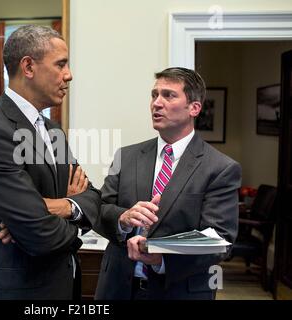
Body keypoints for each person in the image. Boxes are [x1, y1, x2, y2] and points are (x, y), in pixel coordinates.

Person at [0, 25, 101, 300]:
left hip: (61, 286)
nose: (69, 75)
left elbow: (94, 198)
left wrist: (61, 207)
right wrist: (71, 219)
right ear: (28, 66)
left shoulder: (52, 129)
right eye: (61, 64)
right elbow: (39, 234)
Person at [94, 67, 241, 300]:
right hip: (117, 288)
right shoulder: (127, 156)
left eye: (168, 95)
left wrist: (163, 259)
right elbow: (98, 210)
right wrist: (122, 219)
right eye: (154, 95)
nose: (156, 103)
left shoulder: (220, 168)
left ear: (194, 108)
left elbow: (219, 240)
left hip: (178, 290)